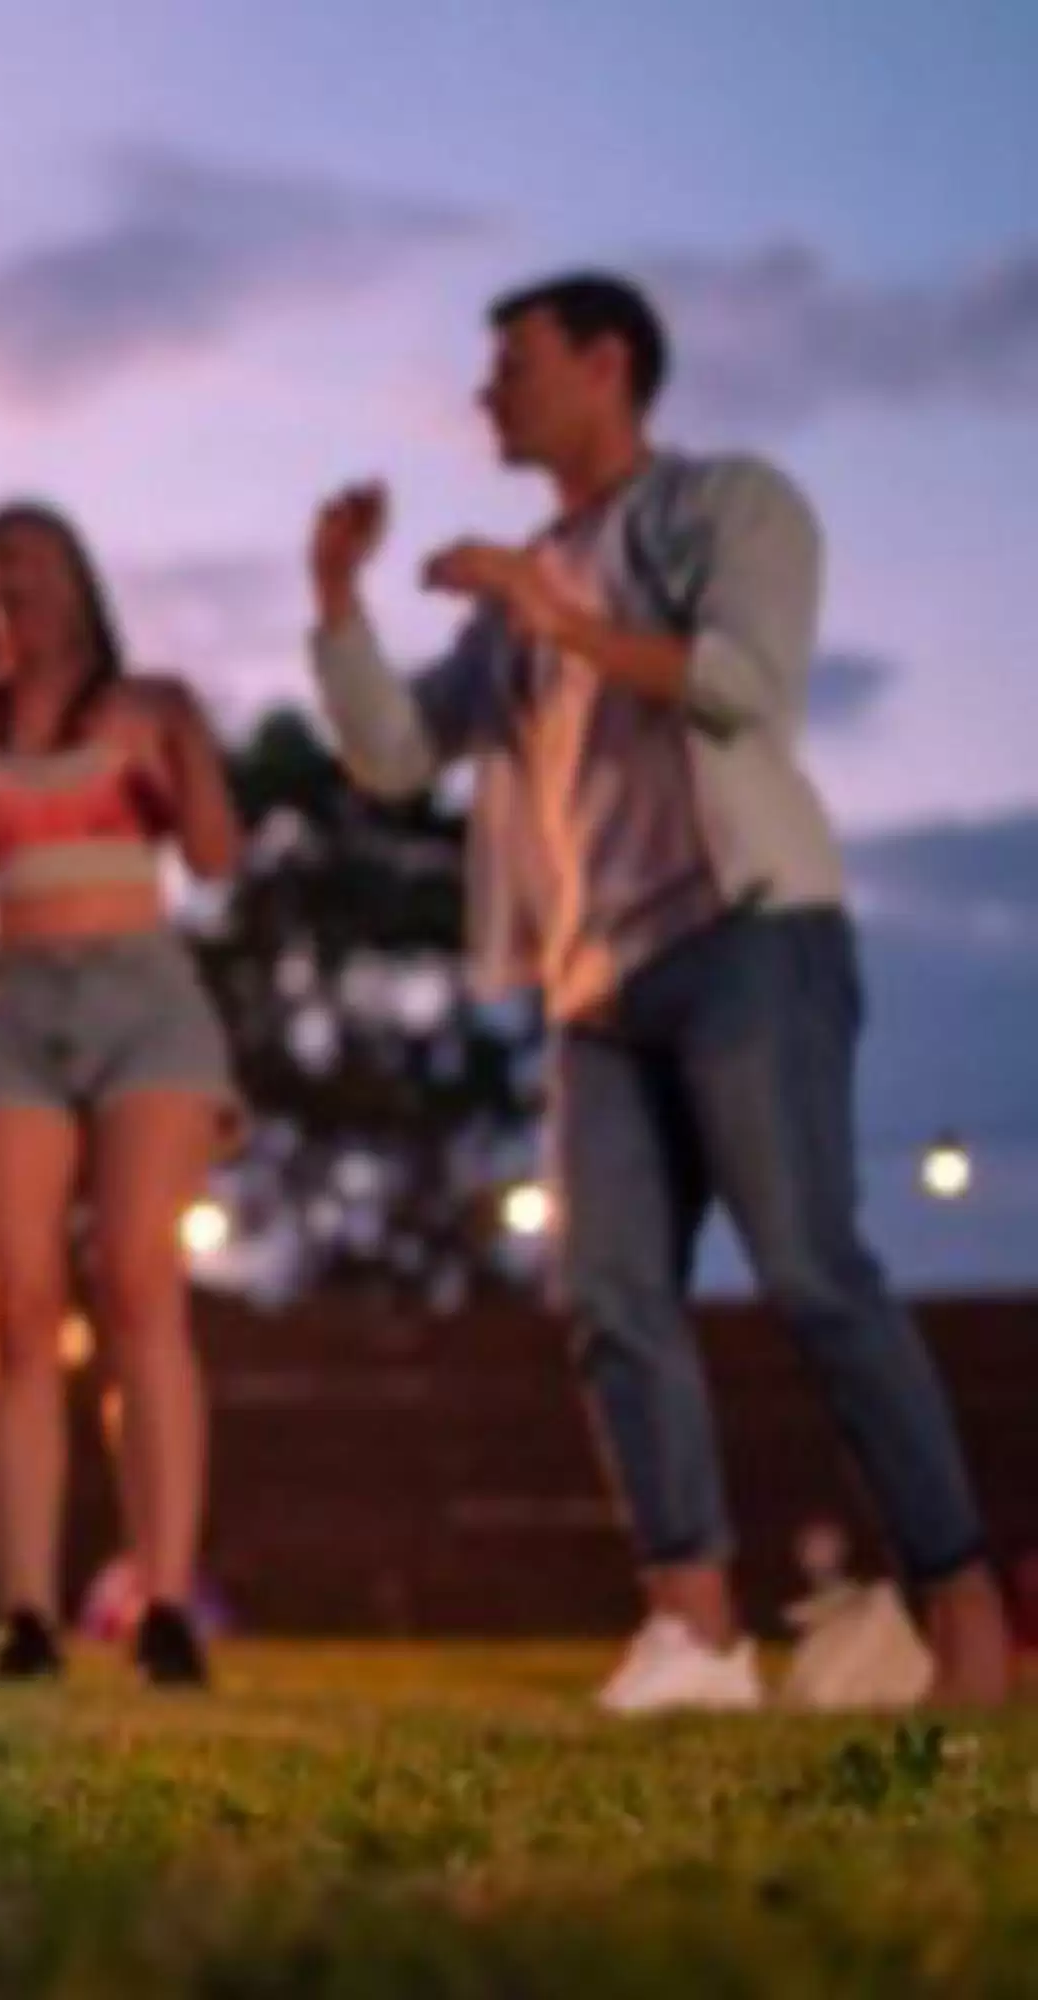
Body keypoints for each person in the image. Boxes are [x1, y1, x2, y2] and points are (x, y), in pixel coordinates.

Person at [307, 270, 1013, 1712]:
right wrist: (336, 598)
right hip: (595, 983)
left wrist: (553, 611)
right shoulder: (518, 596)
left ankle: (965, 1610)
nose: (485, 390)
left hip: (745, 933)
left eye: (512, 360)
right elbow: (391, 753)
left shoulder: (730, 506)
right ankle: (693, 1635)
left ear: (605, 362)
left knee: (811, 1274)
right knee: (610, 1295)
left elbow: (748, 685)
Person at [0, 502, 240, 1690]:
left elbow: (216, 855)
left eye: (33, 562)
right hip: (16, 1006)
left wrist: (185, 747)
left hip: (145, 998)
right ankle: (28, 1613)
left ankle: (165, 1598)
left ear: (80, 584)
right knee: (19, 1308)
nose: (13, 584)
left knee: (138, 1281)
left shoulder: (149, 707)